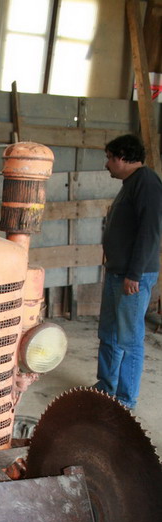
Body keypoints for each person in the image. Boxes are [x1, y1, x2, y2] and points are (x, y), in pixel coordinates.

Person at [94, 134, 162, 410]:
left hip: (133, 277)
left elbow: (150, 232)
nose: (107, 164)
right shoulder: (130, 183)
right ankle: (106, 387)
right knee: (108, 333)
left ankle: (124, 400)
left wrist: (134, 274)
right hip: (117, 273)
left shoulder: (146, 183)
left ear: (123, 156)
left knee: (129, 340)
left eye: (110, 158)